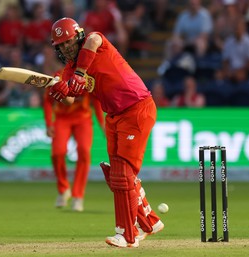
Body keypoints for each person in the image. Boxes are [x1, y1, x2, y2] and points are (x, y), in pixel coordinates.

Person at [47, 17, 164, 248]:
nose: (65, 48)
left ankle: (127, 235)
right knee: (116, 175)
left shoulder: (95, 42)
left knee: (123, 174)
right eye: (60, 45)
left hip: (136, 108)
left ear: (78, 36)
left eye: (68, 42)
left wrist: (80, 73)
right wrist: (59, 89)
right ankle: (149, 222)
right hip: (113, 116)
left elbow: (94, 38)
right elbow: (71, 96)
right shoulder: (69, 70)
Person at [43, 69, 105, 212]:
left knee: (84, 151)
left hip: (83, 119)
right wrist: (48, 123)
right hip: (62, 118)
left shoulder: (88, 78)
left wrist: (102, 125)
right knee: (57, 153)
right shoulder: (58, 76)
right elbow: (47, 100)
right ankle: (64, 189)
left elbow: (96, 100)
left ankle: (78, 196)